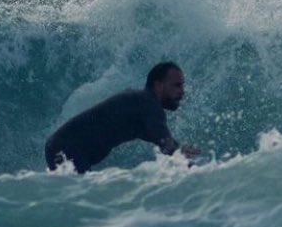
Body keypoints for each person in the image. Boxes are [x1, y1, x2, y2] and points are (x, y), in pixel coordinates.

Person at [45, 61, 201, 173]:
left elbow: (163, 141)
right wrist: (198, 172)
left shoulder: (141, 104)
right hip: (67, 149)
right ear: (158, 85)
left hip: (62, 147)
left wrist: (178, 149)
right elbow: (167, 147)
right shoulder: (148, 105)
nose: (182, 92)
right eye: (176, 85)